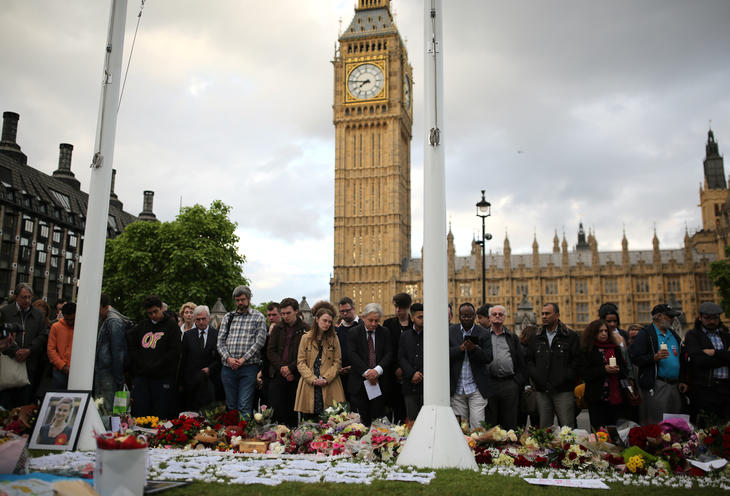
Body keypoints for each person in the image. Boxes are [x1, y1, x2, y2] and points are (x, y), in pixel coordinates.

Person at [525, 303, 580, 428]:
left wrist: (566, 377)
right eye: (542, 314)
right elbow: (529, 360)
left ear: (557, 315)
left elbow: (576, 361)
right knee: (544, 428)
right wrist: (537, 377)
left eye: (547, 313)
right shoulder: (536, 337)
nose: (544, 316)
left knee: (567, 427)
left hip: (563, 390)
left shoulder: (570, 336)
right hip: (542, 390)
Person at [127, 295, 181, 418]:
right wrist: (141, 365)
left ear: (161, 308)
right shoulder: (142, 326)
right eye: (150, 313)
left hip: (162, 378)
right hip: (143, 377)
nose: (153, 316)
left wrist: (157, 365)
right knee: (141, 411)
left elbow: (174, 352)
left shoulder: (172, 326)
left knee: (160, 412)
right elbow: (133, 348)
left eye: (155, 311)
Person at [217, 285, 267, 418]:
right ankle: (232, 435)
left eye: (243, 299)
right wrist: (228, 358)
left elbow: (259, 342)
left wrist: (243, 359)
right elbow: (220, 342)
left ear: (249, 299)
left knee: (244, 405)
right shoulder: (229, 317)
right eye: (237, 300)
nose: (240, 302)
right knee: (231, 405)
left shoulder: (258, 317)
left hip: (248, 367)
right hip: (228, 367)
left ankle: (245, 434)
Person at [629, 303, 683, 425]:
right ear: (659, 316)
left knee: (675, 424)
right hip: (657, 384)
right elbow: (636, 358)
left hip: (675, 385)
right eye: (669, 316)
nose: (673, 319)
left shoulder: (673, 334)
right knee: (658, 423)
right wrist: (653, 357)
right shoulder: (646, 334)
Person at [0, 283, 47, 408]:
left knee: (24, 404)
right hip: (8, 363)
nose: (27, 300)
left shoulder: (38, 315)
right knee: (6, 403)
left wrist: (29, 350)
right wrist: (15, 351)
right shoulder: (5, 312)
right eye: (23, 297)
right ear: (16, 297)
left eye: (29, 297)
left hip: (29, 364)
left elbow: (42, 335)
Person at [295, 301, 345, 418]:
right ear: (317, 319)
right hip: (309, 384)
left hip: (330, 384)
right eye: (324, 320)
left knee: (331, 421)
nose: (327, 324)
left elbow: (337, 362)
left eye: (329, 322)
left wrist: (326, 379)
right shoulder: (305, 338)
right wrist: (312, 379)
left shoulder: (334, 338)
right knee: (308, 421)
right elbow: (301, 362)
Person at [684, 301, 730, 426]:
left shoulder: (726, 336)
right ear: (700, 317)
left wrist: (714, 353)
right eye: (707, 318)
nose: (711, 321)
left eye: (715, 318)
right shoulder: (693, 335)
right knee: (707, 428)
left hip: (726, 389)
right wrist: (725, 356)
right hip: (705, 389)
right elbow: (699, 360)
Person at [347, 303, 393, 426]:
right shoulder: (353, 332)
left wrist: (377, 371)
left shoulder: (385, 332)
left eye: (377, 321)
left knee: (378, 421)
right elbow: (352, 354)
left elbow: (389, 354)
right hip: (359, 385)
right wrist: (367, 372)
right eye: (371, 320)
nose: (374, 324)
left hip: (380, 384)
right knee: (359, 423)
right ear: (363, 317)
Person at [449, 302, 493, 429]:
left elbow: (489, 357)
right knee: (460, 429)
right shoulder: (451, 332)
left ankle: (478, 449)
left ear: (474, 316)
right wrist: (460, 349)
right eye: (463, 316)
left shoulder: (483, 333)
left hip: (476, 388)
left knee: (478, 426)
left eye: (469, 316)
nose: (466, 318)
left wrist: (474, 349)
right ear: (459, 316)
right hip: (457, 387)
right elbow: (444, 354)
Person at [579, 319, 629, 429]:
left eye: (606, 331)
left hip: (615, 397)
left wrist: (618, 369)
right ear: (593, 333)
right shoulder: (587, 350)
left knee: (616, 430)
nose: (604, 333)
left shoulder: (615, 349)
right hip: (597, 398)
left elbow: (624, 370)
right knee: (598, 431)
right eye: (600, 331)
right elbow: (585, 374)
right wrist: (604, 369)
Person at [267, 297, 307, 426]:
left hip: (296, 375)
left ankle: (292, 441)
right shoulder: (277, 328)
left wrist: (291, 368)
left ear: (296, 311)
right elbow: (271, 351)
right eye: (283, 313)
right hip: (278, 373)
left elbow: (307, 354)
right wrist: (283, 368)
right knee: (276, 412)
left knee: (292, 413)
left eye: (288, 313)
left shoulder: (306, 329)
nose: (285, 316)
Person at [484, 305, 525, 430]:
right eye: (494, 314)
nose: (497, 316)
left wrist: (517, 382)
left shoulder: (512, 337)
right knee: (490, 420)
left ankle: (508, 448)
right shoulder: (483, 336)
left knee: (509, 420)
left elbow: (521, 361)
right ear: (490, 318)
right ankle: (491, 448)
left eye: (500, 314)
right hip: (489, 383)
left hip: (509, 383)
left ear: (504, 317)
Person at [180, 305, 222, 411]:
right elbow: (183, 359)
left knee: (209, 412)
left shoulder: (217, 335)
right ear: (194, 320)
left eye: (203, 319)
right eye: (198, 320)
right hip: (192, 382)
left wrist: (210, 369)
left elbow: (220, 357)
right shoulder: (188, 335)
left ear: (208, 318)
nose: (201, 322)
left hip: (210, 381)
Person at [95, 294, 128, 413]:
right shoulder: (109, 320)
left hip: (109, 372)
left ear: (106, 307)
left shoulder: (113, 322)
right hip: (106, 370)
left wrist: (119, 376)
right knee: (103, 406)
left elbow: (118, 351)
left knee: (107, 408)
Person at [383, 292, 412, 423]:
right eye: (396, 307)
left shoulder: (415, 324)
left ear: (407, 307)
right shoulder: (388, 324)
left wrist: (406, 369)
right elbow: (387, 350)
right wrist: (396, 368)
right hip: (393, 375)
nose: (397, 310)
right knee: (396, 411)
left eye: (401, 307)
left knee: (411, 412)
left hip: (412, 375)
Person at [398, 302, 425, 421]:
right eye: (420, 317)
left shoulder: (432, 335)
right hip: (410, 384)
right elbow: (401, 357)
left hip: (426, 385)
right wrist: (412, 374)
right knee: (412, 420)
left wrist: (421, 373)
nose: (423, 320)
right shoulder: (405, 336)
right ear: (412, 317)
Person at [47, 302, 76, 390]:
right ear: (63, 315)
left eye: (72, 319)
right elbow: (50, 350)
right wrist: (63, 366)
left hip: (75, 370)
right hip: (59, 370)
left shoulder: (81, 327)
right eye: (67, 319)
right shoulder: (56, 327)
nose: (70, 322)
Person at [336, 297, 359, 404]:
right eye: (342, 311)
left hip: (359, 376)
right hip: (341, 376)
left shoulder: (362, 326)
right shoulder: (337, 330)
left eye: (347, 311)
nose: (345, 313)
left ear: (353, 309)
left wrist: (354, 366)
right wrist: (338, 368)